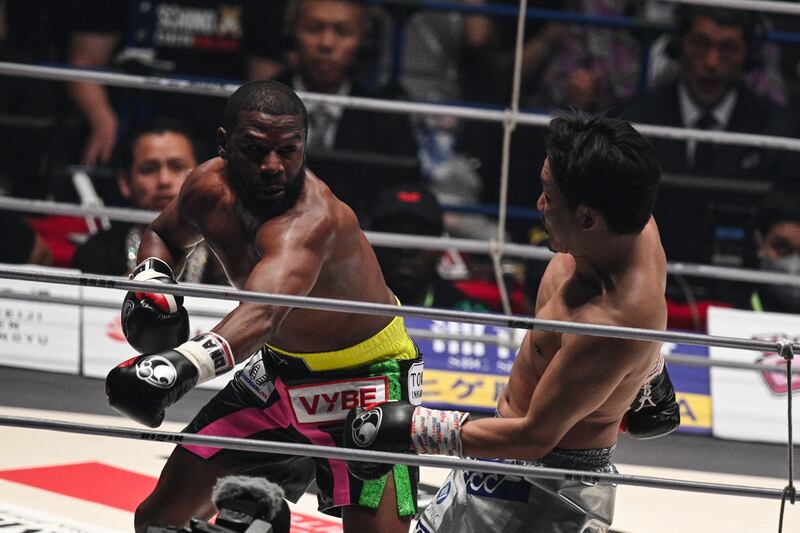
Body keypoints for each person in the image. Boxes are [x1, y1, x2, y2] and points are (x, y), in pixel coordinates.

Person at [104, 80, 421, 533]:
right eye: (255, 151)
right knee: (159, 520)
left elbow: (264, 313)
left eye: (288, 151)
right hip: (280, 373)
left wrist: (177, 367)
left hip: (368, 381)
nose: (273, 167)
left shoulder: (312, 221)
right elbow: (165, 234)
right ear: (224, 145)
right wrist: (152, 280)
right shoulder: (206, 186)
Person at [343, 111, 679, 532]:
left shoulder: (611, 322)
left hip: (545, 484)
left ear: (589, 218)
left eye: (549, 195)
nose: (539, 205)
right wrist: (649, 370)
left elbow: (536, 435)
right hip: (499, 446)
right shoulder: (630, 216)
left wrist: (415, 428)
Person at [622, 5, 800, 266]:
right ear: (679, 44)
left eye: (727, 48)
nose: (712, 62)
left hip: (745, 279)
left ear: (747, 54)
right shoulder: (635, 120)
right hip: (647, 271)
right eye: (700, 44)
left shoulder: (778, 128)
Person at [66, 0, 289, 166]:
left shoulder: (264, 5)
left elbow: (265, 86)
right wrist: (102, 121)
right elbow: (84, 63)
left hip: (219, 134)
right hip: (133, 128)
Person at [277, 0, 422, 220]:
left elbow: (401, 200)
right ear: (292, 31)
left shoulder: (386, 119)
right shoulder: (256, 108)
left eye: (343, 32)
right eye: (313, 28)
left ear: (363, 40)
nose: (326, 43)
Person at [71, 117, 225, 284]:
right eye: (149, 169)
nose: (164, 180)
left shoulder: (227, 250)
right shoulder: (99, 251)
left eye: (177, 167)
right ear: (125, 182)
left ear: (200, 176)